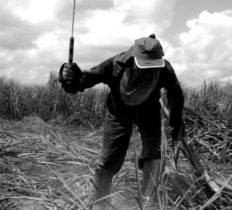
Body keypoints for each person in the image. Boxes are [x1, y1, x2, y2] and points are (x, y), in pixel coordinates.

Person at [58, 34, 184, 208]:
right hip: (118, 112)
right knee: (109, 160)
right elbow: (82, 82)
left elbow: (176, 94)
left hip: (149, 112)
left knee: (154, 156)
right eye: (144, 66)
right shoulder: (115, 65)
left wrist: (176, 123)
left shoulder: (164, 69)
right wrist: (69, 78)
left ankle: (150, 203)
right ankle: (100, 203)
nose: (149, 71)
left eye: (152, 66)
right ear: (133, 59)